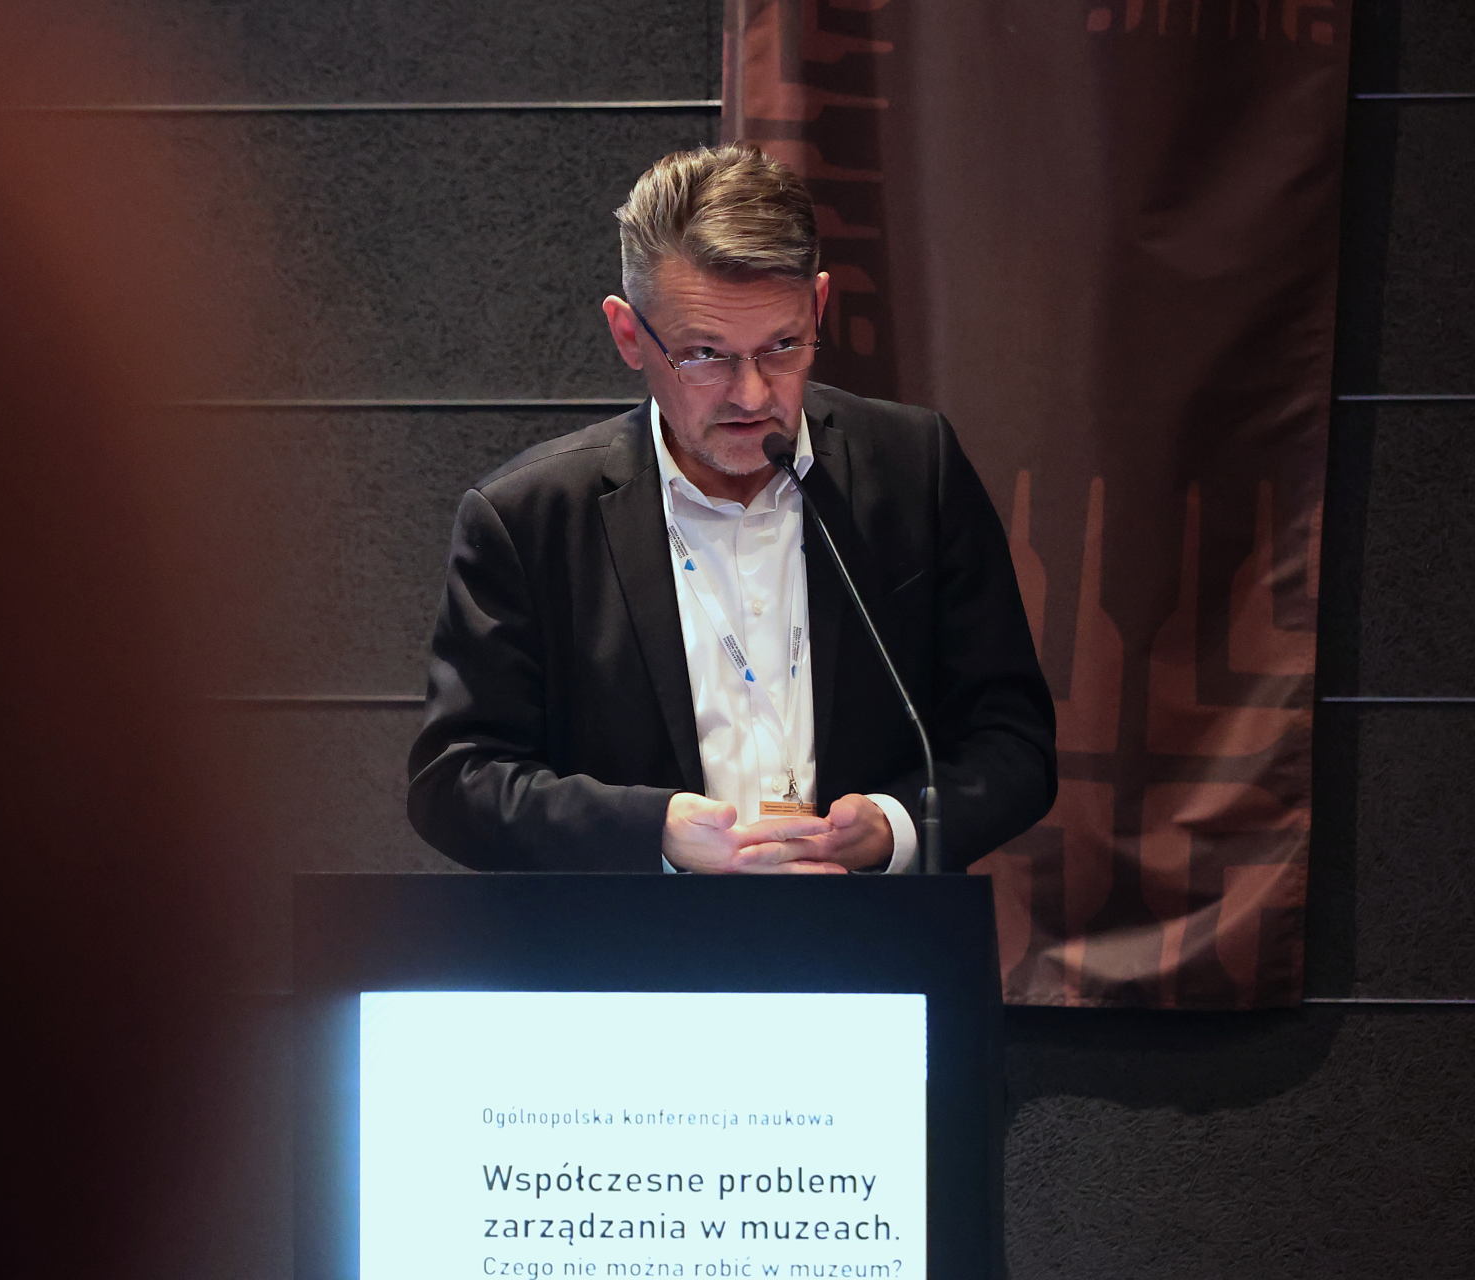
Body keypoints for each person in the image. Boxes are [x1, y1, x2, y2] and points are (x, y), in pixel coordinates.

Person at [408, 143, 1054, 875]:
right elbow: (455, 782)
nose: (751, 394)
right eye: (705, 355)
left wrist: (893, 827)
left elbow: (1014, 744)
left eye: (783, 345)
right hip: (640, 942)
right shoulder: (529, 519)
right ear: (629, 335)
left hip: (871, 931)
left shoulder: (915, 470)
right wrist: (652, 832)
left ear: (819, 306)